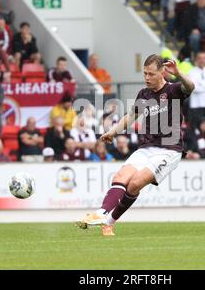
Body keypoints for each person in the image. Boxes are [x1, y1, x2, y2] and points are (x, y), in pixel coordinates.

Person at [77, 55, 194, 236]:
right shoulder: (143, 94)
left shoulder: (173, 90)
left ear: (162, 72)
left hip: (169, 150)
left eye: (151, 74)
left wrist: (178, 74)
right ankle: (102, 212)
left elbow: (190, 87)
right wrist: (113, 132)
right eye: (145, 74)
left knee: (135, 183)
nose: (147, 78)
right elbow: (131, 117)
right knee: (121, 175)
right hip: (147, 147)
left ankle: (109, 222)